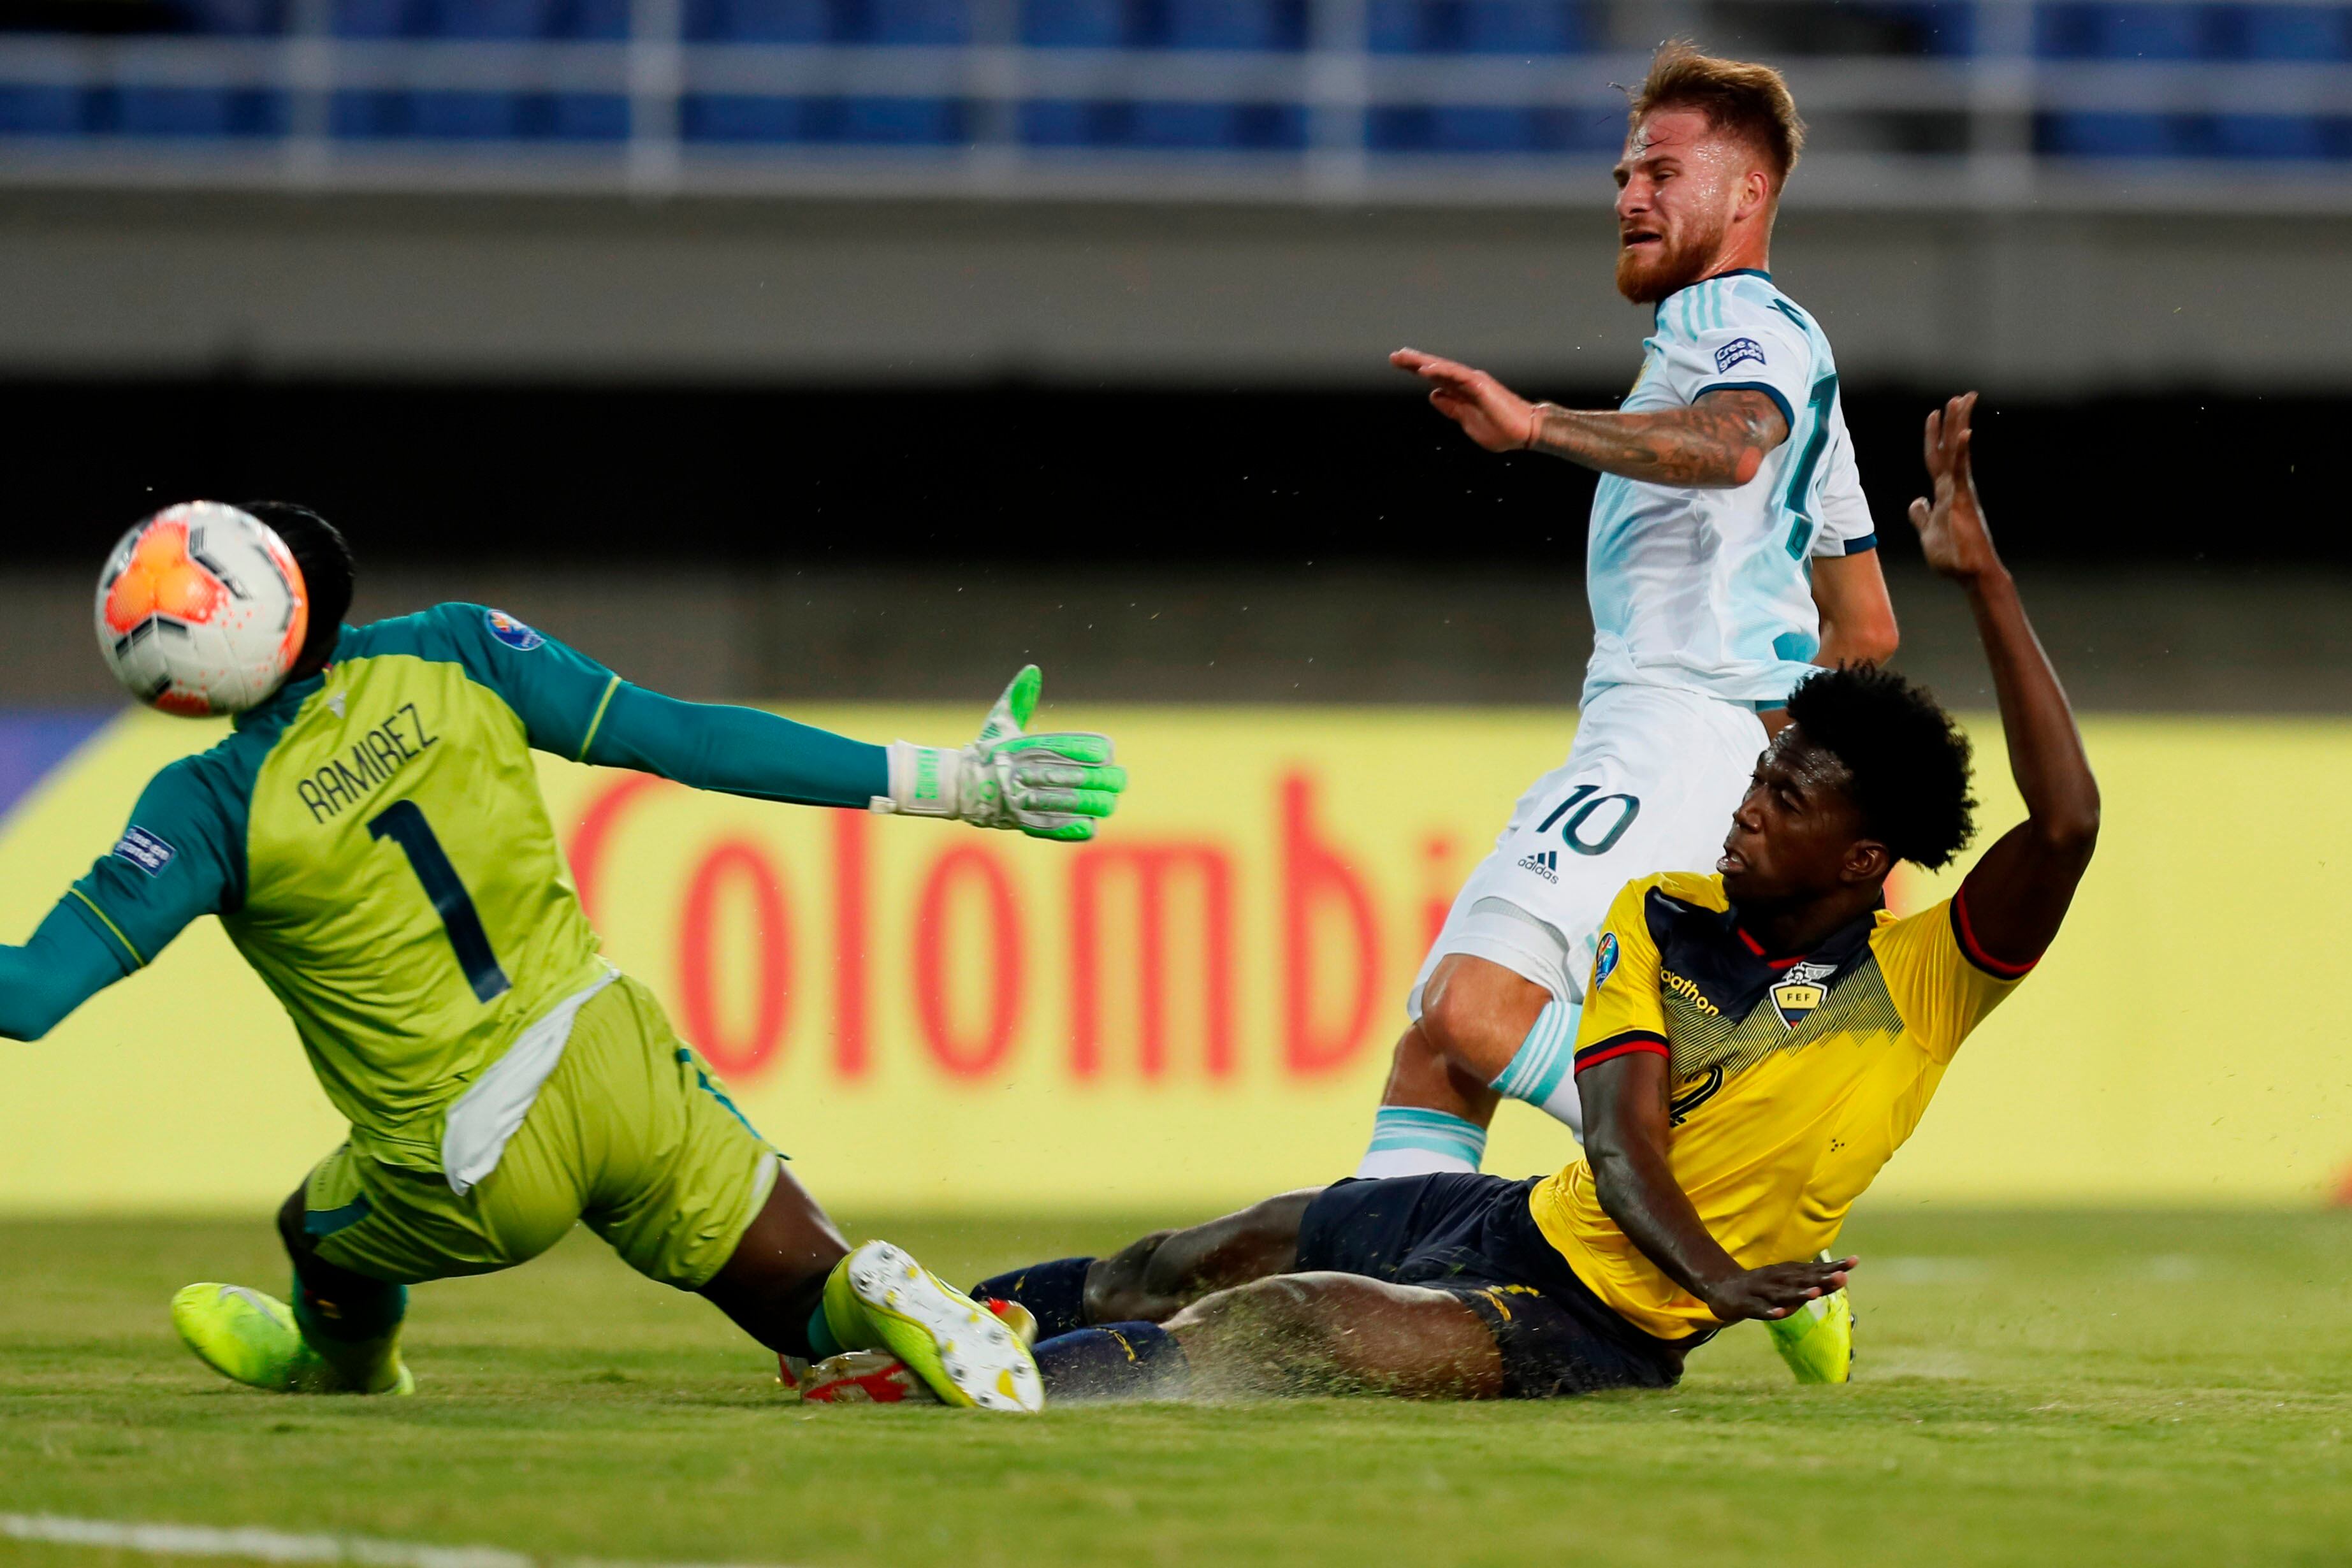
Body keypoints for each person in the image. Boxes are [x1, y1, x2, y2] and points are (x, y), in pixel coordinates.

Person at [904, 393, 2094, 1405]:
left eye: (1784, 798)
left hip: (1594, 1329)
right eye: (1757, 779)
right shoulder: (1664, 912)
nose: (1745, 804)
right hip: (1513, 1218)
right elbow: (1621, 1148)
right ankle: (909, 1328)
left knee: (1295, 1316)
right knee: (1190, 1256)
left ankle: (1010, 1382)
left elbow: (2065, 822)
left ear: (1858, 858)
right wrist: (1725, 1280)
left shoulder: (1924, 982)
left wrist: (1984, 580)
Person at [0, 501, 1128, 1412]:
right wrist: (959, 783)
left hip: (474, 1154)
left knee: (320, 1237)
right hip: (613, 1052)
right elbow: (687, 739)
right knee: (804, 1305)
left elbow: (34, 996)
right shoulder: (456, 649)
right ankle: (877, 1289)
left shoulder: (203, 803)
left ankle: (347, 1368)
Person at [1370, 43, 1899, 1381]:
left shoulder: (1739, 333)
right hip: (1700, 736)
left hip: (1674, 726)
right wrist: (1819, 787)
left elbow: (1726, 444)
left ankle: (1719, 1210)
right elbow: (1867, 628)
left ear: (1750, 188)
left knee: (1476, 1010)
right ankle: (1367, 1295)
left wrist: (1534, 424)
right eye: (1623, 170)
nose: (1628, 193)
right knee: (1436, 1052)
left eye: (1663, 170)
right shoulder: (1803, 360)